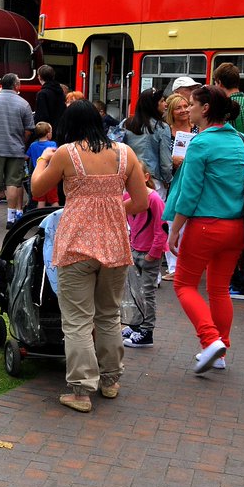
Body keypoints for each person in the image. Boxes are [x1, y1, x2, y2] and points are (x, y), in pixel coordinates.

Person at [31, 99, 148, 413]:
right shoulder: (126, 154)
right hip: (115, 244)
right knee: (109, 316)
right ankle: (110, 380)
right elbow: (140, 202)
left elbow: (37, 188)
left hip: (76, 245)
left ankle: (81, 391)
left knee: (78, 321)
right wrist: (110, 209)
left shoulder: (66, 154)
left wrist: (42, 160)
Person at [163, 85, 244, 374]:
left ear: (205, 109)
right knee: (218, 289)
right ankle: (221, 348)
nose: (187, 109)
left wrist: (175, 230)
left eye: (191, 104)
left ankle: (210, 339)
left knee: (184, 285)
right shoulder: (243, 141)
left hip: (204, 225)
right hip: (237, 226)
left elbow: (189, 195)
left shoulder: (200, 144)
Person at [213, 63, 244, 300]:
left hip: (235, 176)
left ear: (219, 82)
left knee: (234, 232)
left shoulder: (230, 108)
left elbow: (231, 142)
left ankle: (240, 280)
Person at [0, 73, 35, 229]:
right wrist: (20, 142)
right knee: (13, 183)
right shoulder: (24, 104)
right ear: (15, 85)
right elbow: (29, 129)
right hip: (15, 150)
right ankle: (10, 218)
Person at [122, 167, 167, 349]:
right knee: (134, 292)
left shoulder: (154, 199)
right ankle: (136, 325)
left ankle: (147, 332)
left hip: (148, 254)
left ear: (146, 177)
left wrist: (153, 254)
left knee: (147, 293)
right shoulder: (125, 198)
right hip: (134, 251)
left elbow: (161, 228)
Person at [161, 91, 197, 281]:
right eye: (179, 108)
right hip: (172, 181)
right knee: (172, 223)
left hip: (192, 180)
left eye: (186, 106)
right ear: (171, 112)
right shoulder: (165, 131)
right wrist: (170, 161)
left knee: (191, 225)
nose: (184, 111)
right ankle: (174, 266)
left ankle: (187, 265)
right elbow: (159, 154)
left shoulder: (198, 130)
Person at [120, 88, 173, 199]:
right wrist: (167, 179)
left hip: (128, 178)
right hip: (153, 180)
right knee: (154, 215)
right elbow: (166, 161)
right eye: (162, 101)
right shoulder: (162, 127)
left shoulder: (126, 123)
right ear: (153, 105)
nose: (165, 104)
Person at [26, 122, 59, 208]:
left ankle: (40, 219)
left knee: (41, 201)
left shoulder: (33, 145)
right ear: (48, 134)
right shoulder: (52, 144)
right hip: (50, 176)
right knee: (54, 200)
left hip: (38, 175)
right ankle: (56, 219)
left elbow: (26, 156)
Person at [34, 64, 66, 130]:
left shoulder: (42, 94)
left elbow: (41, 117)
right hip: (59, 129)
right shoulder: (60, 91)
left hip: (47, 131)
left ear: (40, 77)